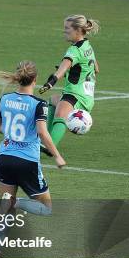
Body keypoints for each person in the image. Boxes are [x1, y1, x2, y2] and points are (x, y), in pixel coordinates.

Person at [0, 61, 66, 258]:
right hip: (27, 161)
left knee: (3, 207)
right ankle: (15, 203)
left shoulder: (5, 99)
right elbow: (42, 132)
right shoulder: (38, 104)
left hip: (4, 157)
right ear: (35, 80)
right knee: (46, 208)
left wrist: (12, 135)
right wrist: (57, 155)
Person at [38, 14, 100, 155]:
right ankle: (46, 137)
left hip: (75, 94)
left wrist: (51, 81)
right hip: (87, 97)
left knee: (60, 114)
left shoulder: (74, 50)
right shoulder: (87, 46)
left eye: (67, 28)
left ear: (78, 30)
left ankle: (49, 146)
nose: (64, 31)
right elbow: (96, 69)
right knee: (53, 101)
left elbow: (63, 67)